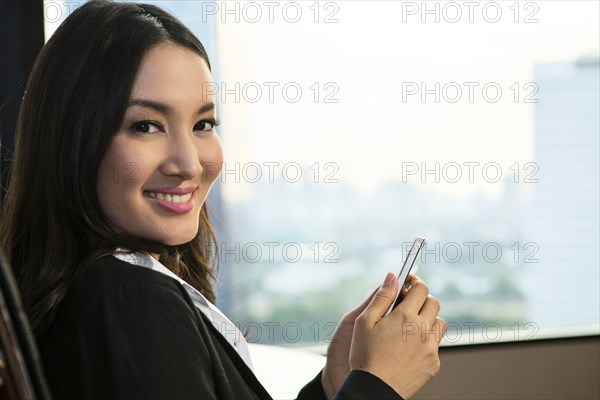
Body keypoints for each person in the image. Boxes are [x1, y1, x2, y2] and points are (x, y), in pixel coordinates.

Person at [0, 1, 446, 399]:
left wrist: (334, 385)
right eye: (146, 125)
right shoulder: (129, 300)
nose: (189, 163)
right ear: (72, 141)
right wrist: (377, 387)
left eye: (203, 124)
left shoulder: (101, 290)